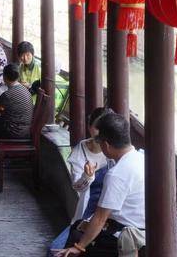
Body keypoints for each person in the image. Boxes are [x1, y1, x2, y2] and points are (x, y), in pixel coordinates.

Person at [56, 113, 145, 257]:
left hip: (124, 238)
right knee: (78, 227)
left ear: (106, 145)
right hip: (142, 231)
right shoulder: (141, 158)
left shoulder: (117, 174)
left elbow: (100, 218)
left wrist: (79, 247)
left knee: (73, 240)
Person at [49, 107, 114, 253]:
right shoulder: (81, 151)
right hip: (88, 213)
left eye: (105, 127)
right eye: (97, 127)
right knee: (54, 249)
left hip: (114, 216)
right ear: (90, 127)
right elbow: (77, 187)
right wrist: (87, 176)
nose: (100, 132)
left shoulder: (116, 150)